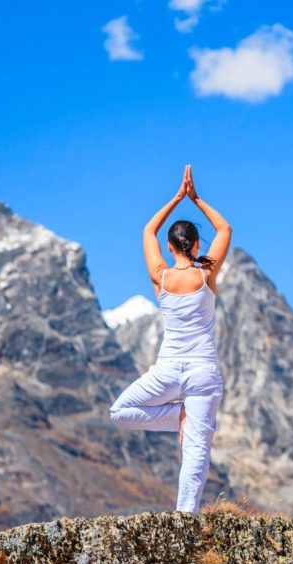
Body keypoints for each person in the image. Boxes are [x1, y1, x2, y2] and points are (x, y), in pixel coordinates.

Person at [109, 165, 232, 513]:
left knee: (119, 412)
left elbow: (148, 229)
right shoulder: (207, 272)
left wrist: (176, 198)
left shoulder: (159, 277)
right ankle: (185, 518)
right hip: (203, 373)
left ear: (169, 245)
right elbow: (225, 228)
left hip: (167, 371)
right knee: (196, 448)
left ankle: (176, 412)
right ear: (195, 244)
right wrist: (196, 198)